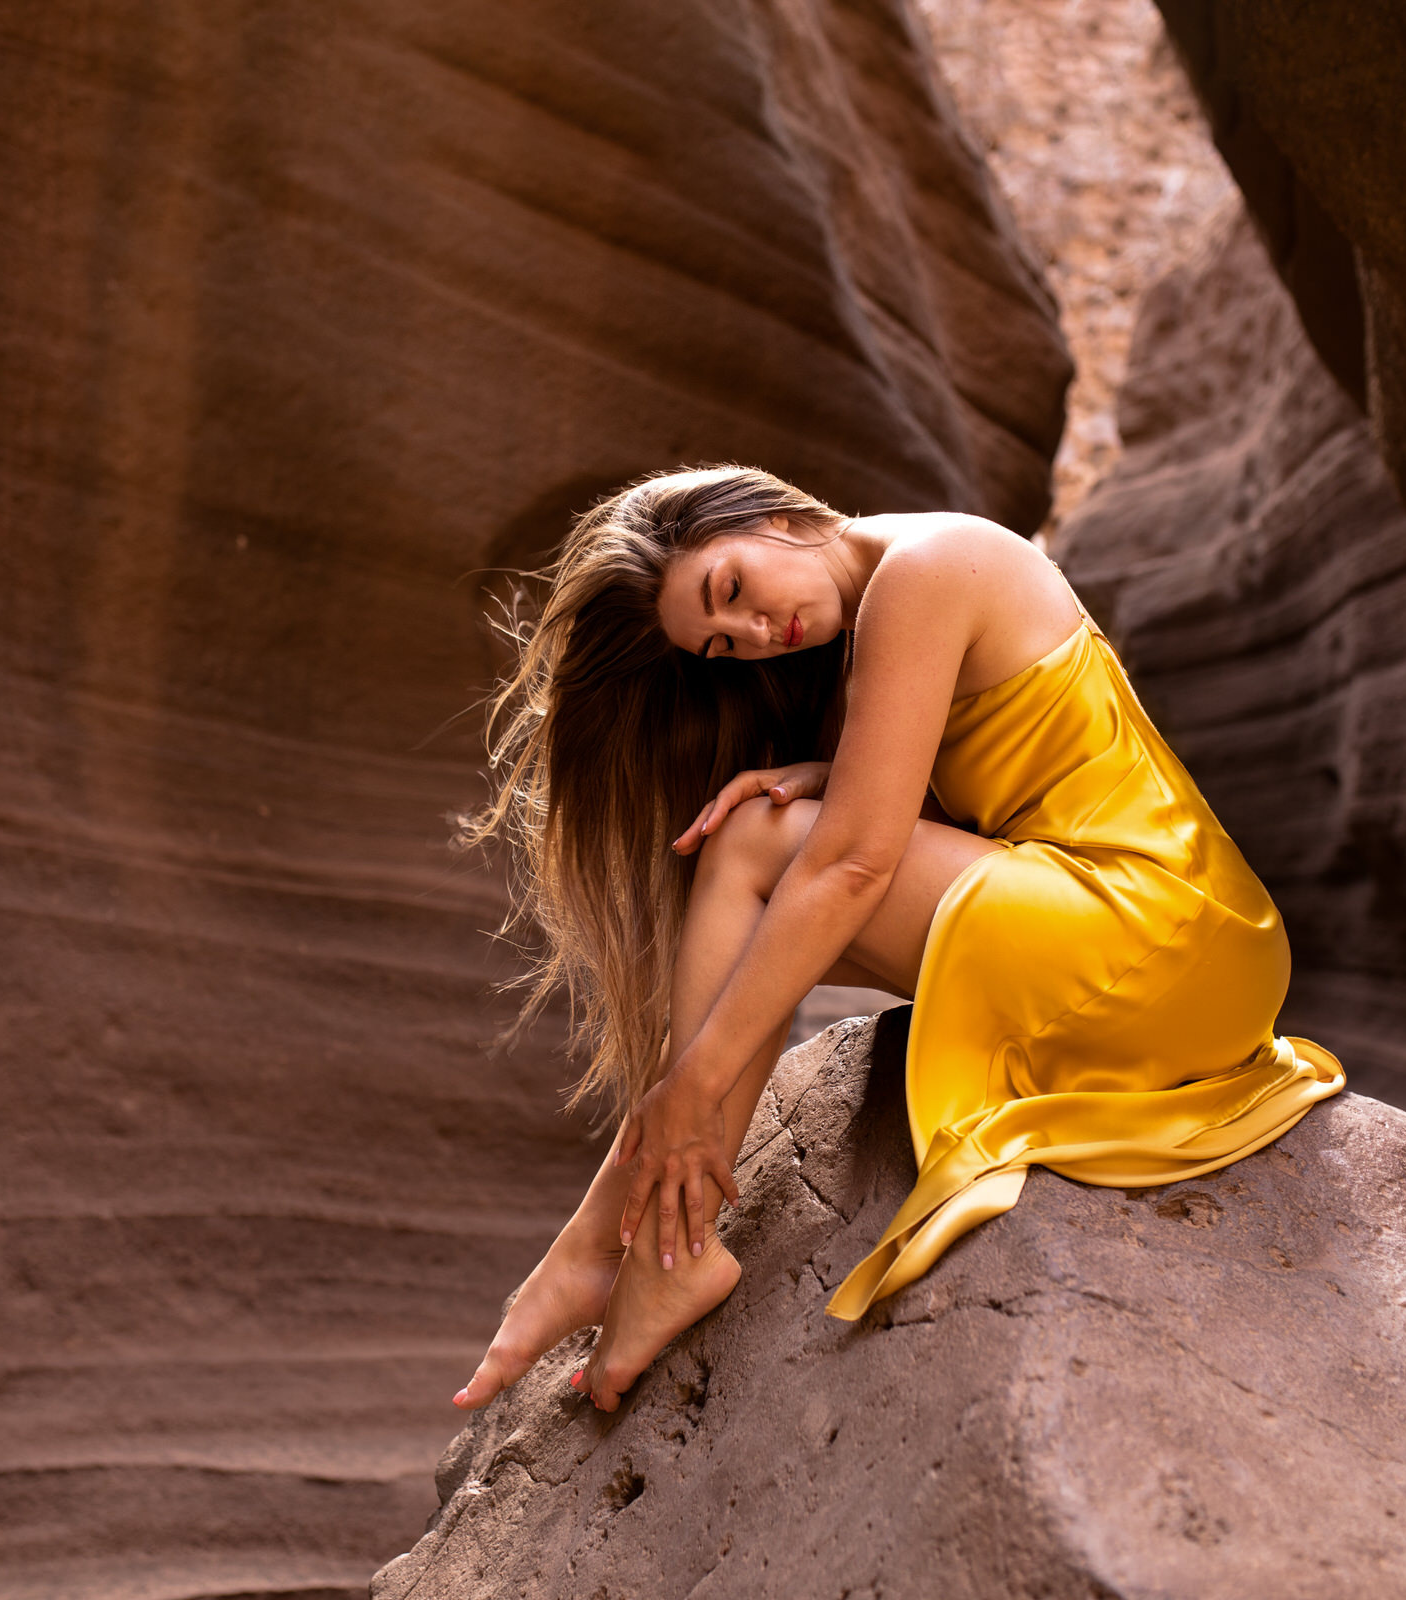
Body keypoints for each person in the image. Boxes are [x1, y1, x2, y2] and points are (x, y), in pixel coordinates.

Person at [452, 465, 1344, 1415]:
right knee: (745, 857)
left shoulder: (928, 565)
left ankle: (648, 1241)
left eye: (733, 590)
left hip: (1162, 927)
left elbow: (854, 870)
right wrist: (834, 768)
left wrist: (694, 1087)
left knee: (758, 848)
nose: (756, 635)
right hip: (1170, 941)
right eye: (722, 646)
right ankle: (622, 1241)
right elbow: (998, 768)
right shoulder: (884, 606)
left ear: (776, 515)